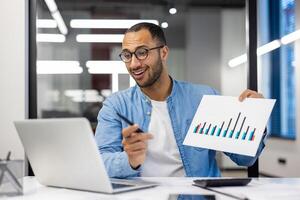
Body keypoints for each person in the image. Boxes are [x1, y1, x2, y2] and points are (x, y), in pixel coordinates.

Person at [95, 22, 265, 178]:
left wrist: (256, 119)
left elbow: (244, 159)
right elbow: (100, 162)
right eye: (127, 55)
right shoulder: (116, 106)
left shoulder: (204, 98)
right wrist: (130, 160)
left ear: (163, 52)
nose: (133, 64)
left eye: (142, 53)